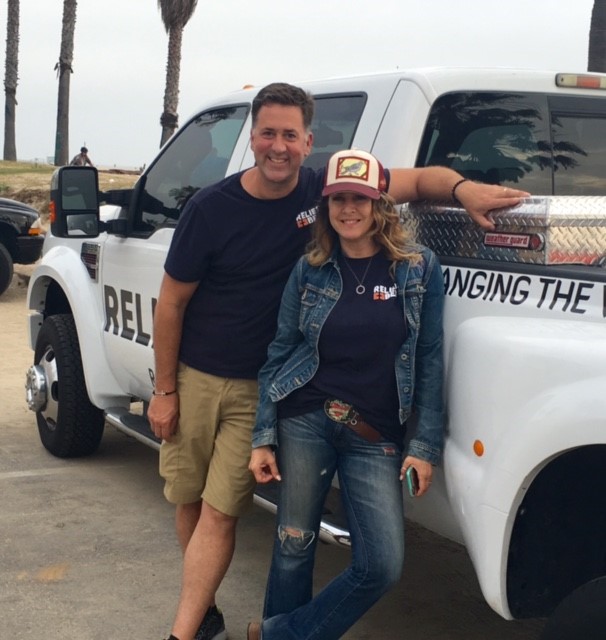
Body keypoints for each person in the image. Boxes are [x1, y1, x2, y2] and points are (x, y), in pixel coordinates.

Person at [147, 82, 528, 640]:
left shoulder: (346, 209)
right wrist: (164, 389)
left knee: (227, 512)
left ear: (308, 142)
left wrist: (464, 188)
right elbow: (173, 302)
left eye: (291, 136)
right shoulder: (218, 211)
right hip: (208, 378)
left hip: (299, 401)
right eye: (268, 133)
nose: (279, 146)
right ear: (252, 138)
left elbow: (422, 180)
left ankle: (228, 633)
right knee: (205, 504)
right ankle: (202, 613)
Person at [247, 149, 444, 640]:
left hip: (374, 432)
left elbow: (430, 360)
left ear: (381, 204)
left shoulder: (418, 270)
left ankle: (279, 635)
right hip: (306, 420)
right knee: (294, 545)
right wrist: (263, 435)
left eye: (360, 198)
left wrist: (423, 446)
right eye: (338, 199)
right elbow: (280, 354)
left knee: (381, 564)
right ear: (326, 207)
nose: (348, 209)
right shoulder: (310, 269)